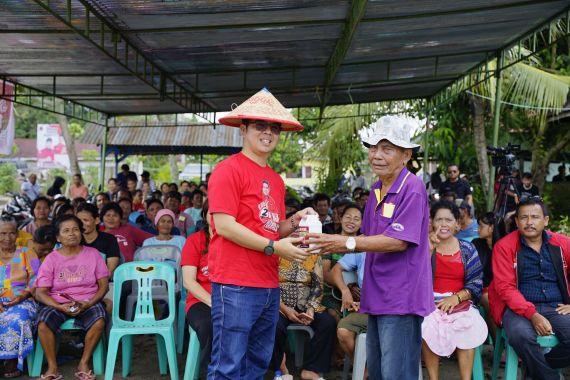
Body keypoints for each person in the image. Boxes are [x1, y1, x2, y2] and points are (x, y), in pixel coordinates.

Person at [308, 115, 434, 380]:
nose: (377, 155)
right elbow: (369, 237)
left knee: (396, 373)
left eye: (387, 148)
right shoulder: (377, 188)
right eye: (373, 147)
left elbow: (398, 241)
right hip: (376, 295)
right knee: (377, 370)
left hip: (401, 297)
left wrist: (345, 242)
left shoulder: (412, 188)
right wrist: (324, 244)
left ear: (406, 154)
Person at [207, 89, 314, 379]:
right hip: (235, 281)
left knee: (258, 361)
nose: (268, 133)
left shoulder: (276, 180)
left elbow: (271, 228)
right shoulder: (228, 170)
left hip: (268, 282)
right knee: (228, 364)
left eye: (274, 128)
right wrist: (274, 247)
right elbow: (225, 226)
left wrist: (295, 220)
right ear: (243, 129)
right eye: (260, 126)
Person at [489, 197, 570, 379]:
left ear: (546, 220)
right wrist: (532, 315)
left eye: (535, 217)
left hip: (557, 307)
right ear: (516, 221)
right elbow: (505, 288)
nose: (529, 222)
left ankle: (536, 368)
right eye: (523, 217)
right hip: (518, 308)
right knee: (520, 336)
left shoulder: (562, 244)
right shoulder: (504, 247)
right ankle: (550, 376)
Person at [35, 214, 109, 380]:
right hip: (59, 303)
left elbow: (103, 286)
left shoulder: (93, 254)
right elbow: (40, 292)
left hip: (87, 301)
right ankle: (53, 367)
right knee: (42, 323)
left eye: (76, 229)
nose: (72, 234)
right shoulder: (51, 258)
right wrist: (59, 306)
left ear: (81, 233)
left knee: (99, 321)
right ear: (58, 236)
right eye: (66, 230)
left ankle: (84, 362)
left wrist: (89, 303)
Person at [422, 201, 487, 380]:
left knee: (469, 326)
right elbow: (415, 279)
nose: (443, 224)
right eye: (439, 219)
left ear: (457, 224)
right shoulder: (422, 247)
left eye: (449, 220)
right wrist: (429, 250)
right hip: (428, 302)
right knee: (427, 327)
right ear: (431, 223)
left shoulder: (467, 248)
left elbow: (476, 283)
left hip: (460, 302)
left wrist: (456, 298)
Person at [271, 253, 336, 380]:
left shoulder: (313, 255)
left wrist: (310, 309)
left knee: (328, 323)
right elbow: (269, 285)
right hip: (279, 306)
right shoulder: (276, 251)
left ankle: (312, 369)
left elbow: (318, 285)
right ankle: (280, 368)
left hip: (306, 305)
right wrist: (285, 309)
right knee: (274, 325)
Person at [0, 216, 40, 377]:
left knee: (19, 318)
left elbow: (39, 278)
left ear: (17, 234)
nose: (7, 238)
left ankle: (12, 359)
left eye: (11, 233)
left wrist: (24, 295)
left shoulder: (27, 252)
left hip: (23, 300)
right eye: (2, 233)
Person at [181, 201, 212, 379]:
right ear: (204, 216)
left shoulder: (234, 242)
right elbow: (189, 281)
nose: (216, 218)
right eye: (212, 213)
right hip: (200, 301)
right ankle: (209, 374)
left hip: (231, 298)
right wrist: (213, 303)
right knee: (209, 324)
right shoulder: (195, 240)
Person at [322, 204, 362, 320]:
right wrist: (346, 288)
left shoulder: (366, 245)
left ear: (362, 223)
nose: (351, 221)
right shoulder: (329, 242)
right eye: (348, 217)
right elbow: (325, 274)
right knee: (334, 318)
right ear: (340, 218)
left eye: (356, 219)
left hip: (359, 296)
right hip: (332, 296)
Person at [331, 250, 367, 370]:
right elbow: (336, 269)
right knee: (343, 330)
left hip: (393, 309)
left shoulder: (396, 243)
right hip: (366, 310)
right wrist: (345, 290)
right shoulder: (363, 244)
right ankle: (364, 369)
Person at [472, 212, 500, 340]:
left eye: (481, 226)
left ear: (492, 228)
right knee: (489, 301)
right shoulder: (477, 243)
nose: (478, 229)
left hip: (502, 287)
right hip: (483, 288)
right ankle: (498, 344)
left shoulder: (503, 245)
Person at [76, 203, 121, 276]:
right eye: (79, 221)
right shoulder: (74, 241)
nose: (81, 224)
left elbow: (110, 271)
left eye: (85, 220)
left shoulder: (109, 240)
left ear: (97, 220)